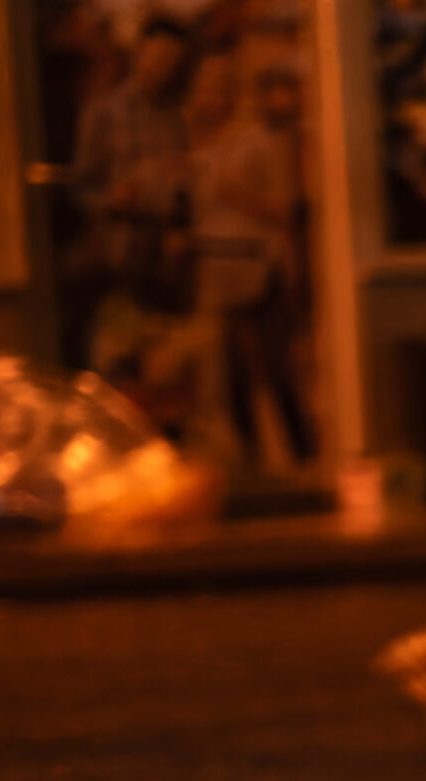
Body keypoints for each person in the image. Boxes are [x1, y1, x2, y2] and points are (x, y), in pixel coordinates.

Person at [191, 61, 316, 463]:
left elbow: (287, 210)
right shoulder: (202, 147)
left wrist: (235, 192)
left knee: (276, 370)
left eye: (223, 90)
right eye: (208, 90)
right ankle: (250, 463)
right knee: (232, 378)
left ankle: (304, 457)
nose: (214, 99)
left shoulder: (258, 143)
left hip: (259, 267)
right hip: (219, 270)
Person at [69, 15, 192, 312]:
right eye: (159, 55)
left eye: (173, 59)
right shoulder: (105, 112)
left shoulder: (178, 115)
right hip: (116, 249)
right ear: (141, 50)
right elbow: (82, 185)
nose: (164, 65)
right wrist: (111, 199)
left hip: (163, 252)